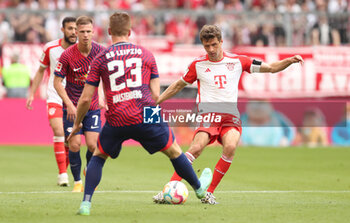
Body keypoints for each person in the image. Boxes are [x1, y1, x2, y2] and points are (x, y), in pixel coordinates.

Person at [67, 12, 213, 216]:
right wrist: (155, 118)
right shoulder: (146, 54)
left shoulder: (100, 59)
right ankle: (199, 189)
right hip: (145, 112)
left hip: (117, 115)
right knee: (174, 151)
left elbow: (84, 99)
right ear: (129, 31)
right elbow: (155, 95)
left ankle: (86, 204)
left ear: (109, 32)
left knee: (99, 156)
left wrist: (77, 124)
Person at [153, 24, 304, 204]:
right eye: (207, 46)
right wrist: (157, 101)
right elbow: (178, 85)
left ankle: (208, 192)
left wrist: (289, 60)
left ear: (221, 42)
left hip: (230, 115)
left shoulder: (238, 61)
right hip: (208, 115)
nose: (211, 49)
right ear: (202, 44)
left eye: (214, 45)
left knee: (231, 147)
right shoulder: (197, 65)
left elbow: (270, 68)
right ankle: (168, 189)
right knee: (196, 148)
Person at [54, 16, 105, 193]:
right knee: (74, 145)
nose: (85, 35)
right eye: (81, 31)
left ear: (93, 32)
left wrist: (104, 96)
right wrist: (68, 103)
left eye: (88, 31)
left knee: (93, 146)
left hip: (92, 107)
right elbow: (57, 82)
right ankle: (77, 181)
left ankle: (88, 171)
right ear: (76, 32)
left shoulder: (101, 52)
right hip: (72, 108)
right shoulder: (67, 55)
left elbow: (106, 79)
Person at [26, 17, 77, 187]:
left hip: (74, 97)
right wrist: (32, 93)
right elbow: (41, 71)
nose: (74, 32)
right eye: (70, 28)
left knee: (70, 138)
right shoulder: (50, 48)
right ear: (62, 30)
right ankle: (63, 174)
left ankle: (64, 169)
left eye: (76, 29)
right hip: (55, 94)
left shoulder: (82, 48)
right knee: (58, 130)